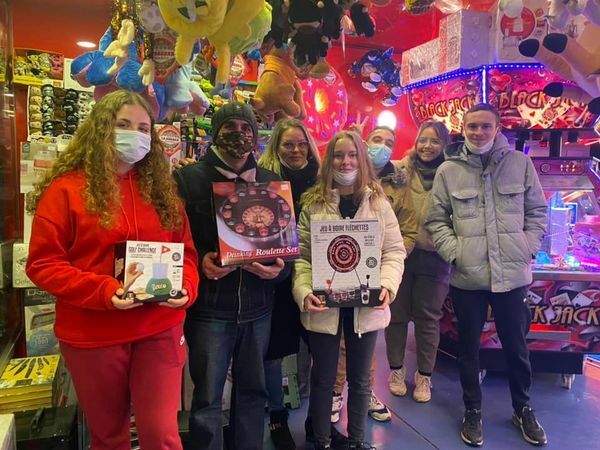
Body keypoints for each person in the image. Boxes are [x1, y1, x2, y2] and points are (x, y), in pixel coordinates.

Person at [25, 90, 199, 450]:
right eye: (123, 124)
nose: (135, 134)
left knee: (162, 434)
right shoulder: (66, 191)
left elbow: (187, 255)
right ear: (102, 128)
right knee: (108, 438)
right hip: (94, 334)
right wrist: (103, 291)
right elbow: (42, 264)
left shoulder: (162, 192)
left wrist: (185, 287)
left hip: (159, 328)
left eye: (143, 128)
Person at [425, 103, 548, 447]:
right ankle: (472, 409)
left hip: (513, 275)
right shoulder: (448, 170)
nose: (478, 132)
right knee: (469, 348)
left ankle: (523, 408)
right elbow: (436, 219)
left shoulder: (520, 164)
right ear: (463, 129)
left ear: (497, 129)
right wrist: (456, 253)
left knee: (517, 347)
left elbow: (537, 211)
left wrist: (527, 246)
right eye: (472, 126)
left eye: (485, 126)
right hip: (468, 277)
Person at [173, 102, 289, 450]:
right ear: (214, 133)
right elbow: (171, 242)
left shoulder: (270, 182)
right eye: (229, 127)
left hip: (259, 309)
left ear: (255, 134)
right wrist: (199, 265)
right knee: (207, 398)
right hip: (210, 310)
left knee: (253, 392)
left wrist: (279, 270)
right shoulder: (188, 180)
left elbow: (285, 247)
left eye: (245, 127)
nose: (239, 134)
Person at [293, 131, 406, 450]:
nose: (346, 161)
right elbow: (302, 256)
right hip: (322, 305)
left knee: (360, 380)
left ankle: (357, 441)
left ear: (362, 159)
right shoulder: (313, 203)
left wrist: (387, 285)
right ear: (329, 160)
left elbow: (394, 251)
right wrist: (304, 291)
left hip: (367, 305)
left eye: (353, 155)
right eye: (339, 155)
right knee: (323, 378)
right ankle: (322, 441)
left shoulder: (379, 203)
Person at [331, 124, 418, 423]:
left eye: (389, 142)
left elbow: (404, 234)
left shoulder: (396, 185)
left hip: (374, 276)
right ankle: (335, 391)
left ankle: (364, 391)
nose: (382, 146)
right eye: (376, 140)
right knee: (339, 340)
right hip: (337, 273)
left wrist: (386, 273)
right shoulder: (333, 186)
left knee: (365, 336)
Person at [257, 118, 320, 450]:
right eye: (288, 144)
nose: (296, 150)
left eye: (301, 144)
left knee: (321, 348)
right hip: (279, 279)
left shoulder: (324, 180)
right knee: (275, 350)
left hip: (315, 276)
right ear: (276, 147)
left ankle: (317, 420)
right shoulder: (263, 181)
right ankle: (277, 416)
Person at [385, 121, 451, 403]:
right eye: (423, 139)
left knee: (428, 318)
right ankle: (396, 371)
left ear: (444, 145)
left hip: (436, 256)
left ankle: (424, 376)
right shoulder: (400, 169)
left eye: (434, 141)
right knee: (396, 315)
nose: (427, 146)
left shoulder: (452, 172)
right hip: (401, 251)